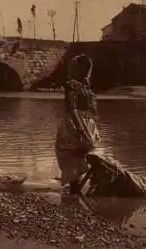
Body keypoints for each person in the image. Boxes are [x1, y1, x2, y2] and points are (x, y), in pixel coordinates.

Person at [55, 54, 101, 195]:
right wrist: (84, 130)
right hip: (79, 124)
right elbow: (76, 110)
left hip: (81, 124)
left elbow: (82, 110)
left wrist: (86, 129)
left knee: (77, 156)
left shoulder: (80, 86)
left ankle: (76, 191)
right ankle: (76, 193)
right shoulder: (77, 86)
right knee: (74, 156)